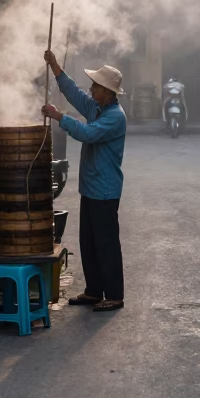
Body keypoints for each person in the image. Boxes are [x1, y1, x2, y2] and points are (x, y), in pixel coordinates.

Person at [42, 50, 127, 312]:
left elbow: (87, 133)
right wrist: (55, 67)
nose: (90, 89)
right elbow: (74, 93)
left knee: (106, 243)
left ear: (107, 91)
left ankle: (114, 295)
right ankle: (93, 291)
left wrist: (59, 117)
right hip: (91, 187)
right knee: (89, 241)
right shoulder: (98, 107)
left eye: (96, 86)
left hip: (105, 189)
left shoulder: (114, 116)